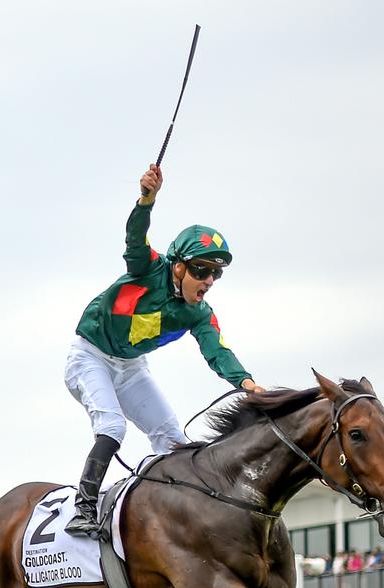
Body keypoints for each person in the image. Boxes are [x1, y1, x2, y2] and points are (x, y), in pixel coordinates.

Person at [64, 164, 265, 536]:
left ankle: (169, 514)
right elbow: (135, 238)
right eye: (202, 270)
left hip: (129, 366)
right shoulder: (149, 268)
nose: (208, 281)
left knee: (173, 438)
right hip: (89, 355)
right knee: (111, 425)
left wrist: (248, 384)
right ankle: (84, 507)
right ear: (177, 267)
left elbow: (217, 351)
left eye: (215, 275)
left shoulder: (199, 313)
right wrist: (147, 199)